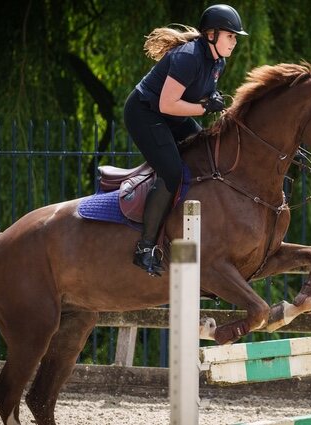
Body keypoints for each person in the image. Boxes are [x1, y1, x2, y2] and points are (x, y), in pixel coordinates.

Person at [124, 4, 248, 276]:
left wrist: (210, 101)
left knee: (205, 152)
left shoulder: (218, 62)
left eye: (236, 37)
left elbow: (192, 97)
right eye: (231, 36)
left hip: (167, 114)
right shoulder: (188, 56)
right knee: (171, 171)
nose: (235, 41)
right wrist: (205, 108)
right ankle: (145, 247)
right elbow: (167, 104)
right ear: (212, 35)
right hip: (145, 112)